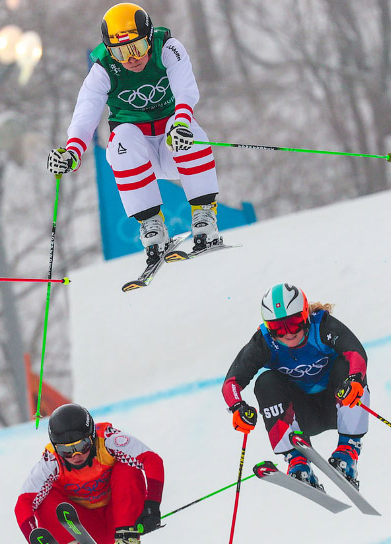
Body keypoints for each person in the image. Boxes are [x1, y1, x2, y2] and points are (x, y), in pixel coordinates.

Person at [47, 2, 222, 265]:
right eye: (120, 52)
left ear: (149, 38)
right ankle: (152, 227)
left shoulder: (168, 48)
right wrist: (72, 151)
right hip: (139, 158)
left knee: (186, 129)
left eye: (136, 48)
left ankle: (204, 214)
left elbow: (185, 88)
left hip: (173, 145)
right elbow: (86, 112)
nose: (131, 59)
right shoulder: (104, 69)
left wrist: (182, 123)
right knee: (121, 139)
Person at [221, 283, 370, 490]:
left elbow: (356, 353)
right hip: (301, 417)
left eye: (293, 325)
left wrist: (354, 379)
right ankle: (297, 462)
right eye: (277, 329)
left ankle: (348, 453)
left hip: (338, 406)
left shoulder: (322, 326)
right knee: (266, 381)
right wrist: (237, 407)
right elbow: (232, 382)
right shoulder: (264, 343)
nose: (287, 334)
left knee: (347, 366)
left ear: (305, 317)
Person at [14, 403, 164, 544]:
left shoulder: (109, 440)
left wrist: (152, 505)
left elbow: (151, 459)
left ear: (92, 437)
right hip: (83, 530)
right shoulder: (51, 461)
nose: (76, 455)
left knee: (127, 467)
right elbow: (24, 502)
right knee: (44, 497)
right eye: (66, 450)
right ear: (56, 447)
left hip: (121, 519)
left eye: (83, 445)